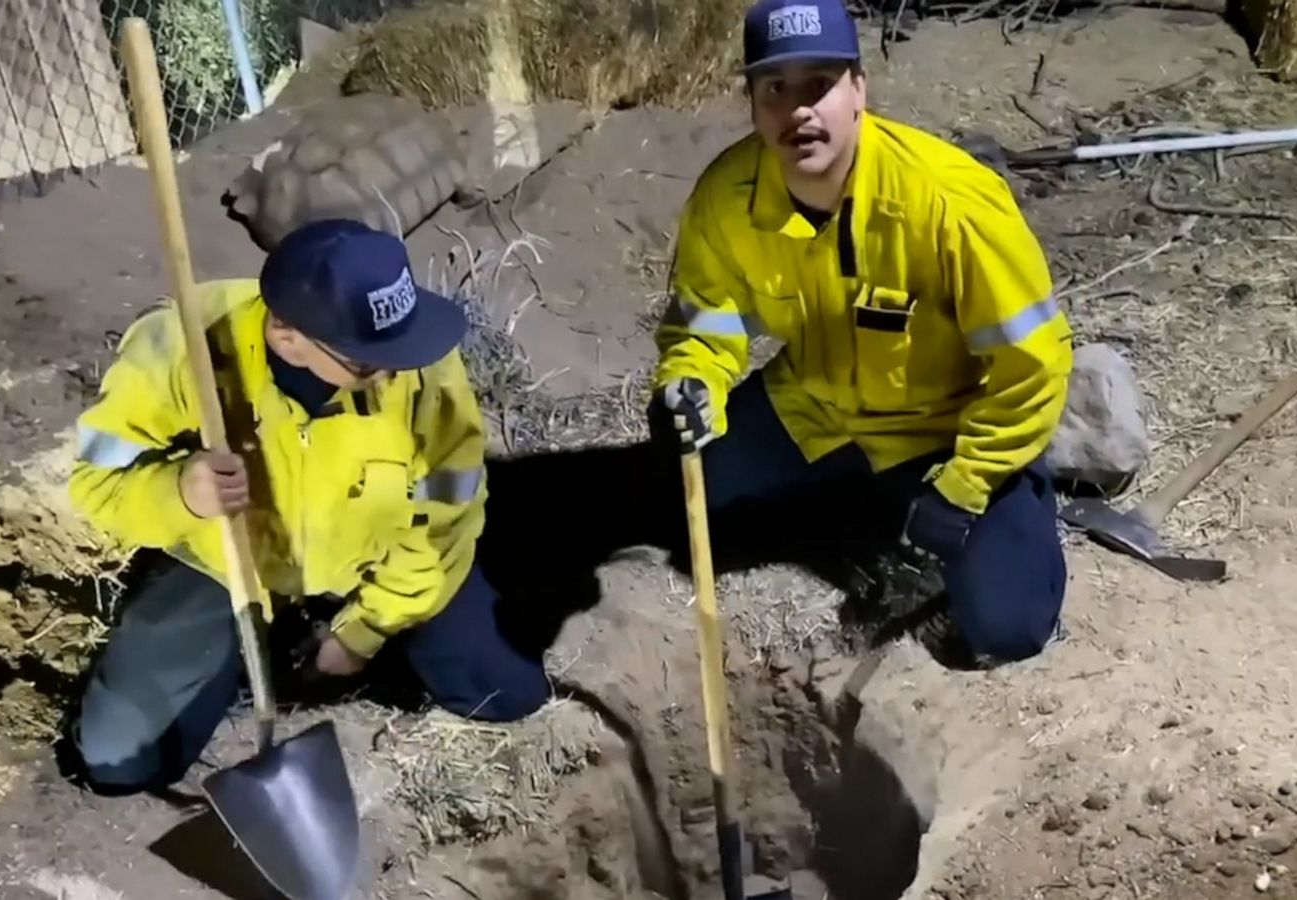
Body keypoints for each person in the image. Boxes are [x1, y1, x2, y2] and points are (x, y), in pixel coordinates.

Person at [650, 0, 1074, 664]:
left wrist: (964, 486)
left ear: (858, 90)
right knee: (686, 483)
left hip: (944, 429)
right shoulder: (724, 199)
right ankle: (870, 506)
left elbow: (1033, 370)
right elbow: (705, 324)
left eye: (818, 83)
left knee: (1006, 627)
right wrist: (689, 382)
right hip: (818, 409)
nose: (798, 109)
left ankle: (1014, 507)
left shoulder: (950, 203)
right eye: (775, 88)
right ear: (754, 102)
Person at [64, 219, 550, 795]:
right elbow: (97, 483)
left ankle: (340, 645)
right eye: (367, 363)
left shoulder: (417, 361)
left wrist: (363, 632)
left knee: (507, 692)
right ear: (286, 335)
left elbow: (446, 518)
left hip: (372, 557)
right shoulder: (187, 345)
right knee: (119, 762)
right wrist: (179, 493)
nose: (393, 371)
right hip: (231, 565)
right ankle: (249, 654)